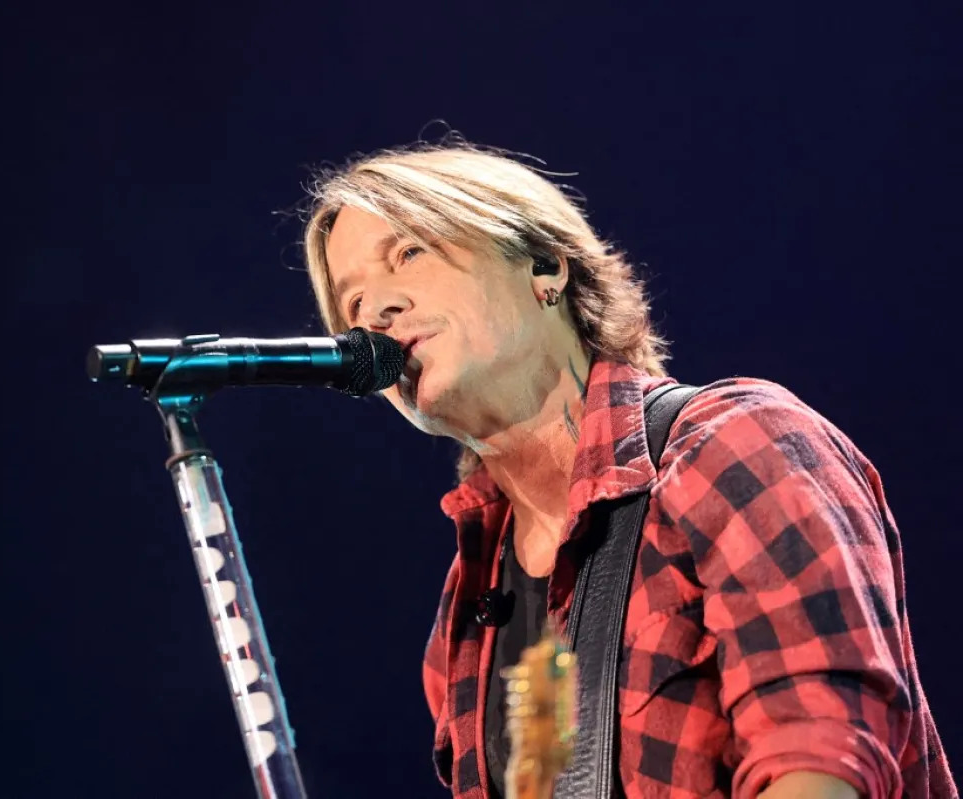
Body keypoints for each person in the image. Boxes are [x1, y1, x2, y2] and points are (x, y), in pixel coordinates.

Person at [298, 138, 956, 798]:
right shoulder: (466, 602)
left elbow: (817, 753)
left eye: (408, 254)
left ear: (545, 267)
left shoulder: (730, 444)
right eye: (351, 304)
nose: (374, 314)